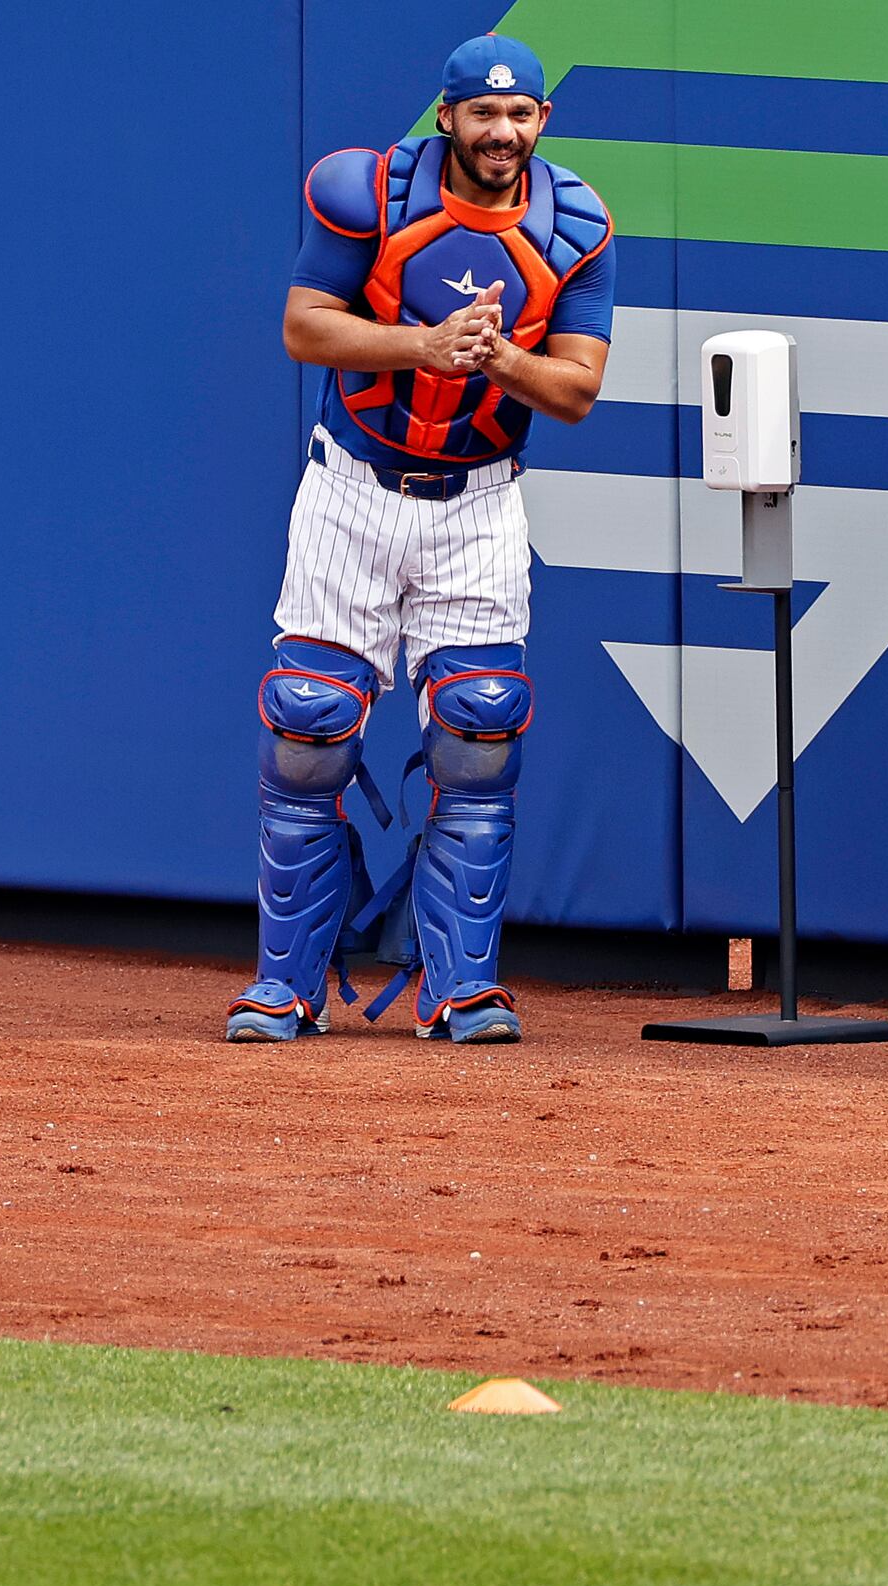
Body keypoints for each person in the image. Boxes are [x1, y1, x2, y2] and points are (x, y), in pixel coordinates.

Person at [225, 32, 614, 1047]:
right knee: (309, 729)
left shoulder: (574, 225)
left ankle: (461, 988)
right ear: (445, 116)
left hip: (479, 499)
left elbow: (575, 389)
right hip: (352, 484)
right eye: (480, 113)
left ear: (541, 121)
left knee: (479, 731)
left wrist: (496, 361)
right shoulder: (367, 194)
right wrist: (421, 345)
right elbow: (306, 325)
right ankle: (284, 986)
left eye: (519, 113)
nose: (500, 130)